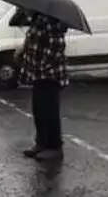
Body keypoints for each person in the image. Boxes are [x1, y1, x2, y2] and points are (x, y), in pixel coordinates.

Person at [14, 10, 68, 161]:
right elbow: (31, 36)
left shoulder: (53, 22)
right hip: (39, 74)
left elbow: (53, 48)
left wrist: (36, 66)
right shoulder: (38, 18)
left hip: (50, 74)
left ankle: (55, 147)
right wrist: (23, 50)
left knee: (50, 112)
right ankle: (41, 143)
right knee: (39, 110)